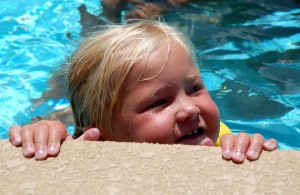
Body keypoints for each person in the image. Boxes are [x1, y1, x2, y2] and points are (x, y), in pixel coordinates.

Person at [8, 19, 277, 163]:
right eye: (159, 102)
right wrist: (42, 136)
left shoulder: (219, 137)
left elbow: (243, 147)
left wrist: (248, 145)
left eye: (195, 88)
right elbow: (47, 144)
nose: (190, 109)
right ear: (102, 135)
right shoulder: (92, 145)